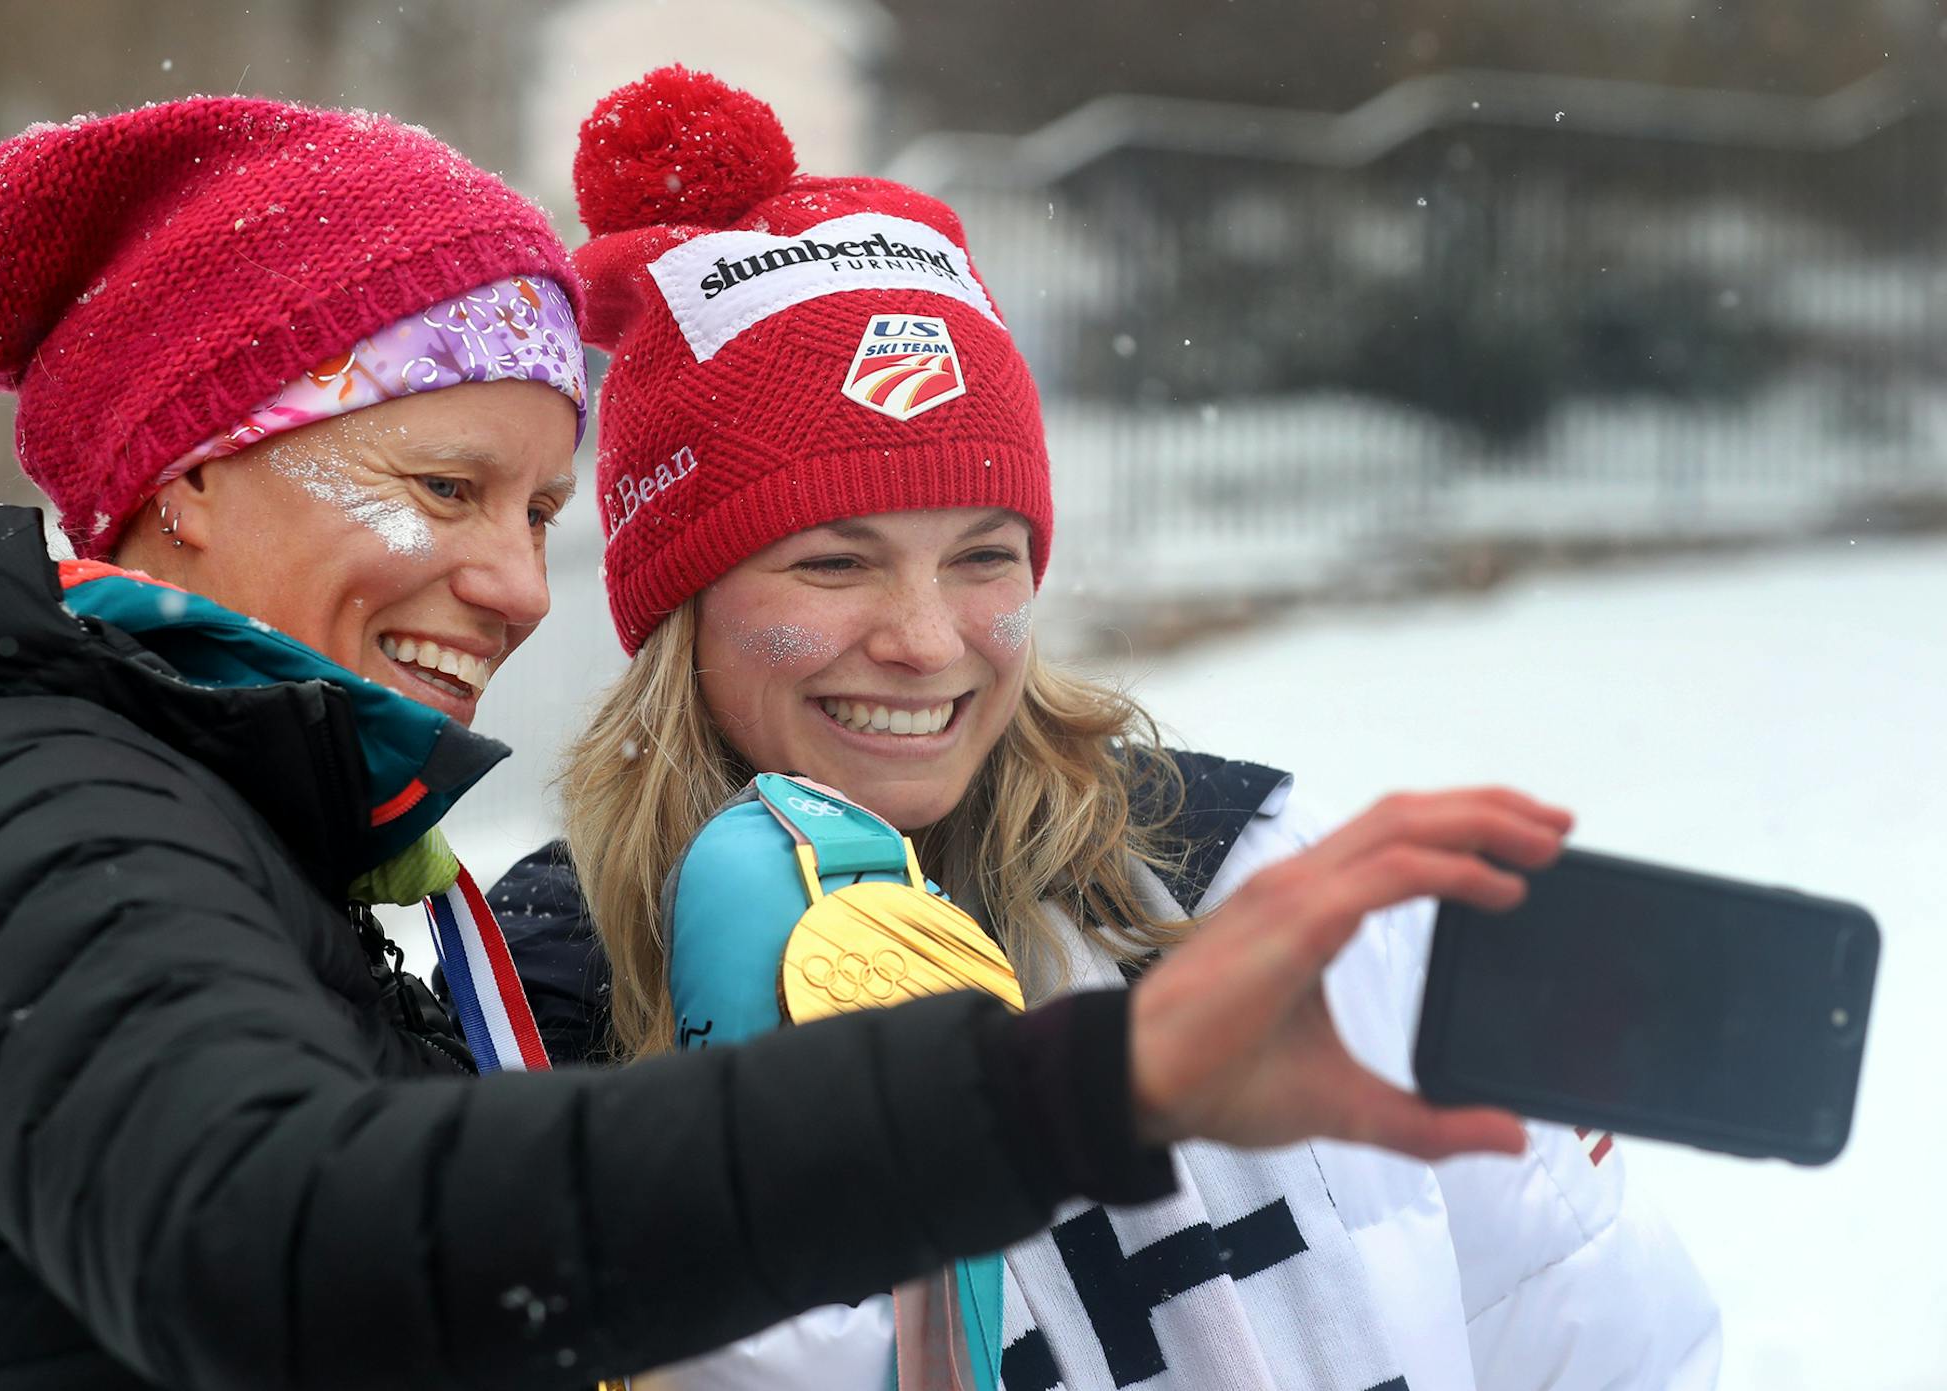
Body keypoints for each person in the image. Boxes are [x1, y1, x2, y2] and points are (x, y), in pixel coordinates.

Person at [0, 97, 1551, 1391]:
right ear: (186, 467)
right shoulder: (33, 797)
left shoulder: (245, 839)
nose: (507, 582)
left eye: (537, 510)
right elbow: (280, 1253)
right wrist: (1074, 1092)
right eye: (441, 486)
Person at [495, 67, 1723, 1390]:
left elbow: (1592, 1324)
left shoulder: (1248, 874)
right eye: (834, 566)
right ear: (683, 605)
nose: (925, 636)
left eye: (983, 556)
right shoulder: (540, 1013)